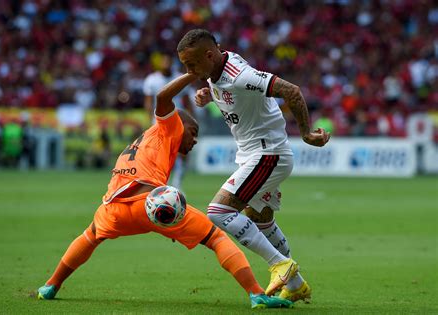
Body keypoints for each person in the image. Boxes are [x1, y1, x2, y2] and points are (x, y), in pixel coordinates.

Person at [37, 73, 293, 309]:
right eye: (193, 133)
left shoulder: (145, 139)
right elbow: (162, 97)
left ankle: (51, 285)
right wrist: (194, 73)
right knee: (216, 238)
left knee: (90, 236)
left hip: (113, 207)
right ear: (180, 124)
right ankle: (256, 293)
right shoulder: (169, 126)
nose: (194, 140)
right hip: (151, 203)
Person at [177, 29, 331, 302]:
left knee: (219, 211)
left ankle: (280, 264)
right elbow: (237, 94)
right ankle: (295, 284)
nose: (189, 71)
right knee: (261, 220)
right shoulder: (218, 70)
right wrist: (209, 95)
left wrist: (306, 133)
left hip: (267, 154)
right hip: (255, 154)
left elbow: (290, 90)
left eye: (192, 64)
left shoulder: (239, 74)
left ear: (210, 55)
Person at [143, 53, 195, 191]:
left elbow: (187, 101)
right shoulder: (151, 80)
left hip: (179, 120)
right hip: (160, 121)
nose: (166, 64)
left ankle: (177, 183)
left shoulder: (179, 77)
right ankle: (159, 183)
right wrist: (149, 120)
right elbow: (148, 103)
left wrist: (191, 118)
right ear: (160, 63)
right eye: (164, 61)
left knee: (182, 152)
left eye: (168, 61)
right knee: (160, 153)